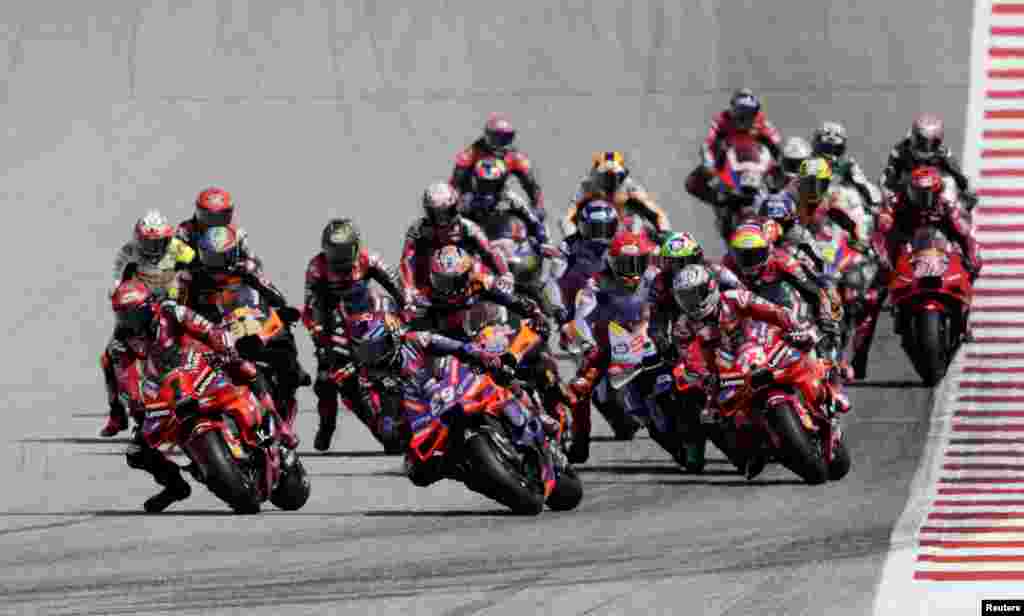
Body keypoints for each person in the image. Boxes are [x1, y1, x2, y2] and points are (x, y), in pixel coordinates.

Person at [105, 280, 284, 512]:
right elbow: (127, 380)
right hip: (167, 390)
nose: (128, 322)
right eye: (122, 315)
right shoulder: (120, 343)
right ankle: (175, 486)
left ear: (149, 307)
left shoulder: (171, 311)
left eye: (133, 315)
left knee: (245, 368)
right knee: (136, 452)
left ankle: (276, 422)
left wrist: (224, 347)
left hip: (202, 365)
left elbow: (207, 329)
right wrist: (136, 402)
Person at [668, 265, 819, 478]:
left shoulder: (735, 298)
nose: (690, 303)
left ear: (710, 288)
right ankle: (745, 455)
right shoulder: (683, 327)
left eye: (694, 295)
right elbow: (690, 358)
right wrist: (703, 377)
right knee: (708, 414)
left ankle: (826, 392)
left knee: (808, 349)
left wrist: (795, 327)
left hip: (761, 346)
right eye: (684, 298)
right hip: (726, 371)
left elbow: (772, 311)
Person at [338, 312, 505, 486]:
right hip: (421, 416)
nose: (372, 356)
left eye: (376, 348)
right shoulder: (367, 376)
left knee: (501, 376)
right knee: (416, 473)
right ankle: (465, 473)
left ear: (394, 336)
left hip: (449, 388)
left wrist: (477, 353)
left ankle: (520, 415)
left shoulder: (415, 339)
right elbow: (375, 407)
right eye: (365, 351)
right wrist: (386, 422)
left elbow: (451, 345)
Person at [186, 225, 307, 441]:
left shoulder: (247, 268)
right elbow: (184, 308)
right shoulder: (194, 278)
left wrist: (283, 308)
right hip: (220, 332)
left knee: (285, 348)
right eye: (211, 257)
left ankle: (292, 378)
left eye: (222, 257)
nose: (217, 264)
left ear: (233, 252)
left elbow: (270, 291)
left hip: (254, 324)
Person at [564, 229, 661, 462]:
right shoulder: (596, 282)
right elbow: (582, 315)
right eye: (625, 264)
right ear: (611, 262)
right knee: (579, 387)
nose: (632, 269)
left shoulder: (654, 276)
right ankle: (580, 441)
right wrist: (586, 343)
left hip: (652, 337)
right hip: (610, 344)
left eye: (637, 263)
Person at [100, 210, 195, 437]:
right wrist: (116, 290)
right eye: (147, 243)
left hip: (174, 308)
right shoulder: (128, 251)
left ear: (168, 238)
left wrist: (188, 277)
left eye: (158, 243)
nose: (153, 249)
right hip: (140, 310)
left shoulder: (180, 248)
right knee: (108, 356)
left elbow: (200, 266)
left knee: (196, 346)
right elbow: (116, 276)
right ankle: (117, 413)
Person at [400, 182, 513, 304]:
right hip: (430, 286)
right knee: (407, 305)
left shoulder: (468, 227)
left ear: (455, 208)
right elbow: (407, 259)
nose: (442, 219)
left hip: (467, 282)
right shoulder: (418, 229)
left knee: (499, 292)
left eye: (446, 212)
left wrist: (505, 273)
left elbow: (489, 252)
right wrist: (409, 287)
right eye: (437, 214)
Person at [416, 245, 547, 338]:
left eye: (453, 281)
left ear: (466, 275)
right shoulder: (425, 293)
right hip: (450, 339)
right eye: (441, 280)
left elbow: (511, 300)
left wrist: (533, 312)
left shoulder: (481, 281)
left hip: (484, 331)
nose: (447, 288)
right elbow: (410, 318)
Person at [649, 232, 742, 354]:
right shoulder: (660, 283)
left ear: (696, 258)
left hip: (723, 326)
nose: (677, 268)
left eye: (682, 262)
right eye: (672, 263)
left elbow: (742, 293)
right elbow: (656, 319)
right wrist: (663, 344)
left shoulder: (716, 271)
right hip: (687, 337)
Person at [686, 88, 782, 202]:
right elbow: (707, 144)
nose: (746, 116)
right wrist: (709, 163)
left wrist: (780, 163)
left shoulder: (761, 121)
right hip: (728, 162)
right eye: (741, 111)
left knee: (782, 180)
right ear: (732, 109)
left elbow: (776, 143)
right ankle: (720, 200)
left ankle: (780, 206)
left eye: (750, 112)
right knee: (692, 183)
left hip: (756, 163)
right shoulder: (721, 120)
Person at [450, 113, 545, 217]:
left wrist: (538, 206)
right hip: (471, 197)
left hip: (499, 197)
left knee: (527, 217)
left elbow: (531, 184)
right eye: (497, 138)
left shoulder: (515, 157)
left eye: (506, 138)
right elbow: (454, 183)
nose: (502, 142)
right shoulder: (470, 153)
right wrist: (453, 205)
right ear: (487, 136)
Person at [545, 199, 620, 329]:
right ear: (583, 227)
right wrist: (558, 309)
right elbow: (552, 279)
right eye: (595, 230)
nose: (600, 236)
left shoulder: (622, 246)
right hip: (578, 302)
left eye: (604, 229)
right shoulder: (569, 244)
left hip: (611, 303)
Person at [561, 151, 670, 238]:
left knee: (639, 225)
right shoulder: (587, 186)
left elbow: (657, 213)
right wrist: (571, 239)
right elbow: (568, 217)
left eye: (615, 177)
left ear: (623, 175)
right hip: (594, 237)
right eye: (605, 177)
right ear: (595, 175)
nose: (610, 182)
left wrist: (665, 233)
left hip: (627, 238)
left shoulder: (630, 187)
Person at [880, 113, 978, 210]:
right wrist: (887, 192)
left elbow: (957, 173)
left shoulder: (943, 153)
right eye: (921, 141)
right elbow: (889, 173)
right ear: (913, 136)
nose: (926, 147)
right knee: (885, 217)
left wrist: (967, 189)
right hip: (907, 195)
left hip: (936, 196)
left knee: (956, 202)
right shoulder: (900, 150)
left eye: (933, 143)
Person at [460, 157, 549, 249]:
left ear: (501, 182)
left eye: (492, 184)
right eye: (484, 184)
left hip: (512, 245)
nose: (488, 189)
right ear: (476, 181)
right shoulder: (467, 201)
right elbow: (456, 226)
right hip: (484, 248)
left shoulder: (510, 198)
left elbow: (532, 220)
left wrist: (543, 239)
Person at [810, 121, 882, 209]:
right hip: (812, 212)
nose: (830, 154)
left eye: (835, 149)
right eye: (826, 148)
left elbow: (872, 195)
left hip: (841, 214)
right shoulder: (808, 164)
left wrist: (875, 205)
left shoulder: (848, 165)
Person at [175, 187, 258, 260]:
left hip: (227, 271)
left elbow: (249, 255)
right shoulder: (185, 229)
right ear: (198, 211)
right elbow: (173, 256)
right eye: (208, 217)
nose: (214, 223)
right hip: (195, 272)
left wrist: (251, 263)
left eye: (221, 217)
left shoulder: (237, 231)